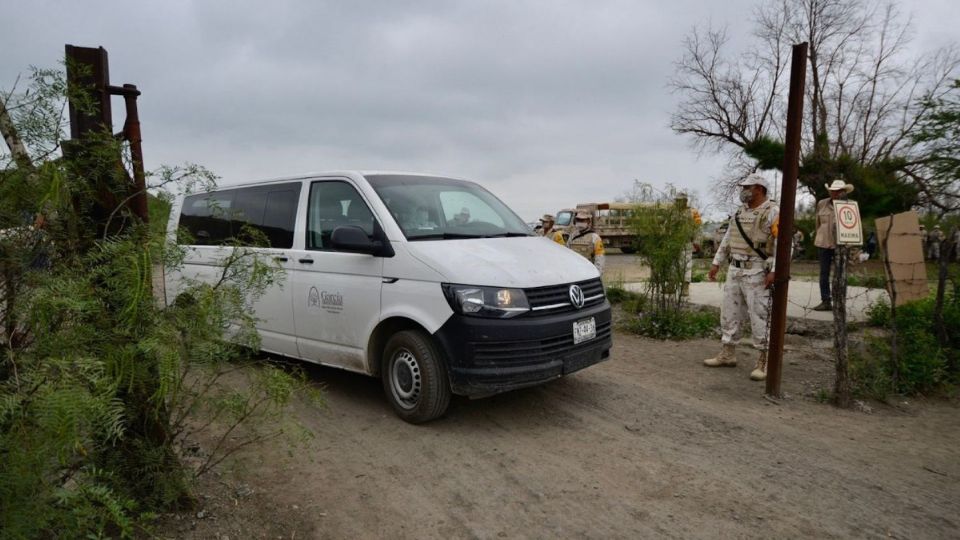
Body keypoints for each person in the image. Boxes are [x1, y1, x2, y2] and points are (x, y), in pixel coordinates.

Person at [703, 173, 779, 381]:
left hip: (757, 271)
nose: (743, 191)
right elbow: (728, 238)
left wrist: (775, 270)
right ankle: (728, 353)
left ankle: (764, 359)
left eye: (748, 187)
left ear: (760, 189)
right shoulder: (739, 213)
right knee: (729, 312)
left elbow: (783, 243)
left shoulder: (772, 212)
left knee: (760, 315)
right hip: (735, 270)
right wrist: (716, 262)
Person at [812, 178, 854, 311]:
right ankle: (825, 301)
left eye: (838, 191)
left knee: (840, 274)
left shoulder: (850, 205)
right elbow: (818, 222)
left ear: (843, 192)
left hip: (841, 246)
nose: (835, 193)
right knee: (824, 274)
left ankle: (839, 302)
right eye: (833, 191)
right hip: (824, 244)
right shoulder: (822, 204)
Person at [675, 193, 702, 296]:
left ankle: (685, 287)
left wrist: (697, 243)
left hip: (686, 242)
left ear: (685, 201)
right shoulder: (672, 212)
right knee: (673, 266)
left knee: (686, 265)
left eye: (680, 200)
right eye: (677, 200)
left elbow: (697, 228)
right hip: (673, 242)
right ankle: (671, 285)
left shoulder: (693, 212)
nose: (677, 202)